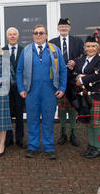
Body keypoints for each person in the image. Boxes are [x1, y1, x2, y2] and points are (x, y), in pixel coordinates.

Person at [17, 24, 67, 160]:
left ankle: (49, 147)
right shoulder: (26, 50)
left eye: (41, 33)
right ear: (33, 35)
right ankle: (33, 147)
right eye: (36, 33)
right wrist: (21, 88)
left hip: (49, 91)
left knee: (48, 120)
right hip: (31, 91)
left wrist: (62, 88)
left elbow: (62, 69)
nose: (38, 35)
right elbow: (19, 71)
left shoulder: (54, 50)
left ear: (46, 35)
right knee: (32, 120)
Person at [67, 35, 100, 158]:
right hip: (84, 97)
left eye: (93, 46)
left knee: (97, 125)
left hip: (97, 97)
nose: (90, 48)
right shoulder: (81, 60)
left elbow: (98, 75)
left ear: (97, 48)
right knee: (88, 123)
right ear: (85, 48)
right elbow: (73, 74)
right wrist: (77, 77)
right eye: (88, 46)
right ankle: (91, 145)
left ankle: (98, 147)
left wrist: (82, 79)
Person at [49, 18, 84, 147]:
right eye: (61, 26)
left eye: (66, 26)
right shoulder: (52, 43)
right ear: (58, 28)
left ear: (69, 28)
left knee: (73, 106)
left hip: (73, 78)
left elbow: (84, 56)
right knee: (62, 108)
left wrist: (75, 62)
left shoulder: (77, 41)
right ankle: (63, 133)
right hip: (59, 79)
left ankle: (73, 133)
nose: (63, 28)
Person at [3, 27, 26, 148]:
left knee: (19, 114)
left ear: (18, 36)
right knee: (6, 114)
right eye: (10, 34)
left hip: (19, 88)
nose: (12, 36)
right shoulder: (2, 51)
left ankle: (20, 138)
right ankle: (8, 138)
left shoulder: (24, 50)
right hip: (5, 89)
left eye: (14, 34)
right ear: (7, 37)